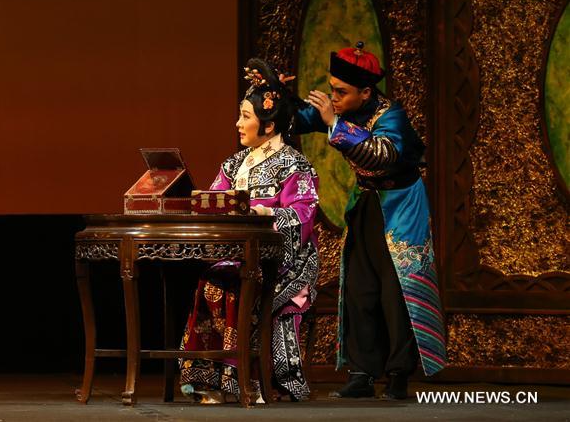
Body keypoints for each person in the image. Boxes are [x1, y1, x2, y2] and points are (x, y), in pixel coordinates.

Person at [294, 41, 446, 400]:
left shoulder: (390, 115)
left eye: (341, 92)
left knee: (396, 291)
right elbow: (294, 119)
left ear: (366, 92)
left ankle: (397, 374)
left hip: (401, 204)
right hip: (366, 201)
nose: (335, 97)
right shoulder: (342, 108)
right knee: (361, 287)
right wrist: (272, 92)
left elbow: (382, 156)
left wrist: (334, 122)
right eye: (332, 90)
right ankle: (361, 372)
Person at [179, 58, 320, 403]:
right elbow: (215, 202)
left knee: (247, 283)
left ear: (269, 126)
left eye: (246, 116)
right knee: (212, 280)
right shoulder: (233, 164)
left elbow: (303, 215)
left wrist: (263, 214)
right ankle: (212, 378)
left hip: (288, 260)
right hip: (241, 254)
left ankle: (253, 379)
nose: (238, 124)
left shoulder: (294, 165)